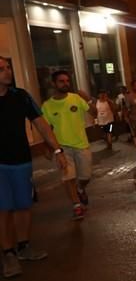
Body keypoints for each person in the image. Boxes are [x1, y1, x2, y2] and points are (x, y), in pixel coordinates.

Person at [0, 57, 67, 278]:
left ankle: (23, 246)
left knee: (23, 205)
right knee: (3, 209)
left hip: (22, 161)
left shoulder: (21, 97)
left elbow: (42, 125)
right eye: (2, 69)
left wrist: (57, 150)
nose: (7, 72)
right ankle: (8, 253)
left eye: (8, 67)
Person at [42, 70, 96, 220]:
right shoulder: (47, 106)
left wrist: (89, 99)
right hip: (62, 148)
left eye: (67, 81)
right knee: (68, 177)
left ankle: (80, 188)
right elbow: (46, 129)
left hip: (81, 145)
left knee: (86, 176)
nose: (65, 84)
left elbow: (95, 113)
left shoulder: (77, 99)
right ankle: (76, 205)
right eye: (61, 81)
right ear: (54, 84)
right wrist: (48, 147)